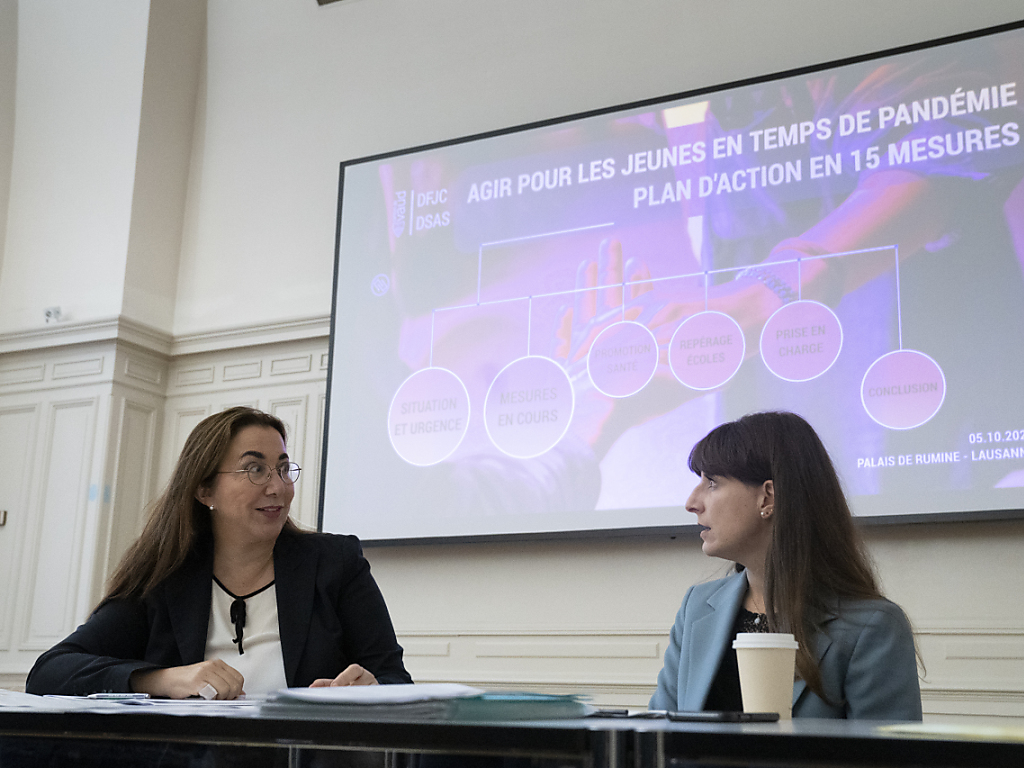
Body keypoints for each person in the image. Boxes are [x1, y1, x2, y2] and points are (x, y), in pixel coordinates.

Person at [26, 407, 412, 698]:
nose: (277, 487)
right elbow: (51, 671)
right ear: (204, 489)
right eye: (255, 470)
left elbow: (396, 680)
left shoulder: (336, 564)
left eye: (282, 469)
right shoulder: (165, 578)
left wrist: (371, 689)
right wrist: (164, 679)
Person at [650, 411, 922, 720]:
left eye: (712, 483)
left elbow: (886, 748)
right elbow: (661, 731)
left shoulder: (873, 627)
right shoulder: (697, 607)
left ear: (767, 497)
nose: (691, 503)